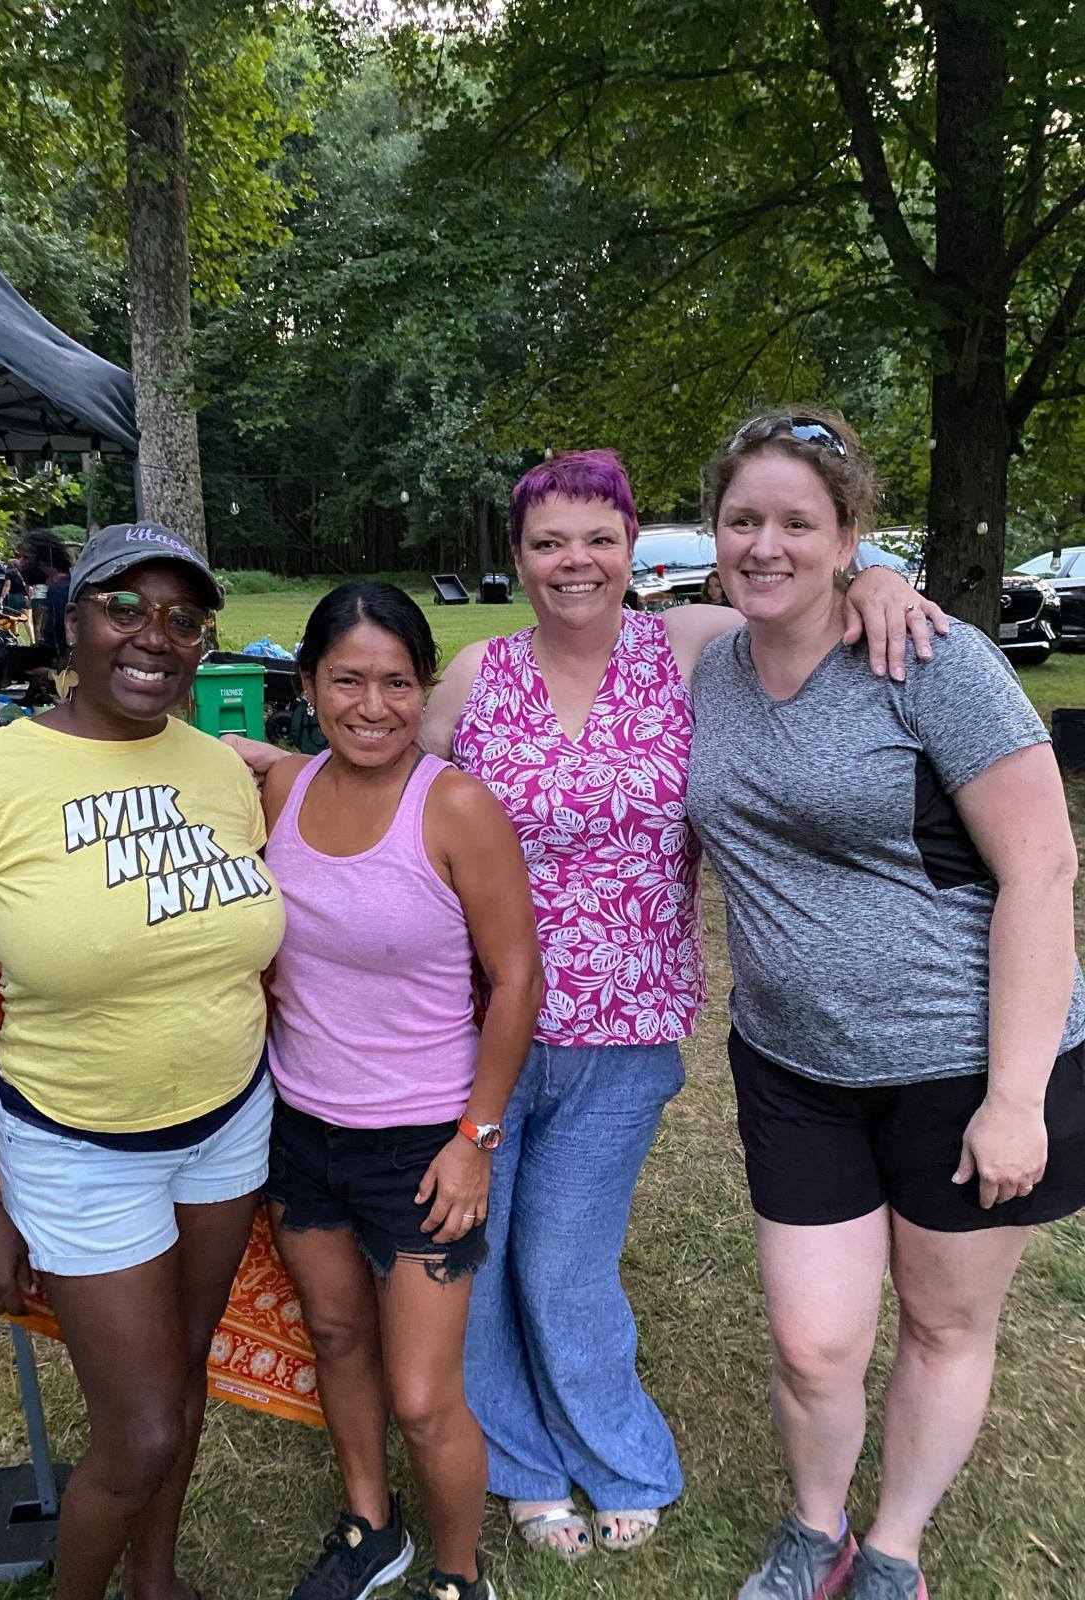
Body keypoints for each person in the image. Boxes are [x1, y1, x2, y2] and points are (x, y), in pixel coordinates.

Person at [415, 449, 946, 1559]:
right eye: (549, 542)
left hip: (626, 1028)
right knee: (480, 1253)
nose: (576, 562)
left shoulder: (692, 648)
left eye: (599, 539)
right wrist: (275, 770)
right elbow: (385, 795)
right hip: (477, 1033)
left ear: (636, 554)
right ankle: (520, 1463)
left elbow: (811, 578)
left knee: (562, 1263)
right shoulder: (473, 678)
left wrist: (885, 577)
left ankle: (620, 1456)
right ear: (517, 558)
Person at [686, 409, 1085, 1600]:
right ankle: (817, 1528)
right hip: (794, 1062)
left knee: (945, 1325)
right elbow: (536, 649)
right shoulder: (705, 653)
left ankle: (894, 1548)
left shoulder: (932, 660)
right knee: (815, 1344)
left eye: (799, 522)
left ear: (849, 532)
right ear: (712, 534)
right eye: (743, 519)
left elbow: (1043, 867)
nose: (766, 545)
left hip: (968, 1061)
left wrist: (1016, 1098)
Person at [0, 522, 286, 1600]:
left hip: (225, 1126)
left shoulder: (220, 771)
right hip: (79, 1148)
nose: (153, 636)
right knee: (142, 1423)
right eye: (124, 608)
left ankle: (154, 1585)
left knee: (186, 1379)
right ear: (71, 622)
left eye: (182, 617)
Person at [260, 581, 543, 1600]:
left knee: (423, 1394)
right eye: (346, 679)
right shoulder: (282, 791)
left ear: (424, 689)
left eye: (395, 682)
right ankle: (370, 1524)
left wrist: (476, 1136)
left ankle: (459, 1574)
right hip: (301, 1131)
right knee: (337, 1337)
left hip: (425, 1143)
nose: (371, 705)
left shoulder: (456, 804)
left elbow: (517, 979)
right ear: (307, 684)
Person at [18, 529, 73, 655]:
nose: (20, 563)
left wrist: (52, 673)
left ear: (46, 561)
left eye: (26, 558)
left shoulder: (61, 592)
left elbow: (67, 645)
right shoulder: (63, 587)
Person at [0, 555, 34, 642]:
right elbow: (29, 586)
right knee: (28, 620)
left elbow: (7, 586)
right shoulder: (24, 573)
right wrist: (30, 597)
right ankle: (32, 640)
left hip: (13, 597)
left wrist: (2, 597)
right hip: (24, 597)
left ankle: (16, 638)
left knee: (14, 620)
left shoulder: (9, 573)